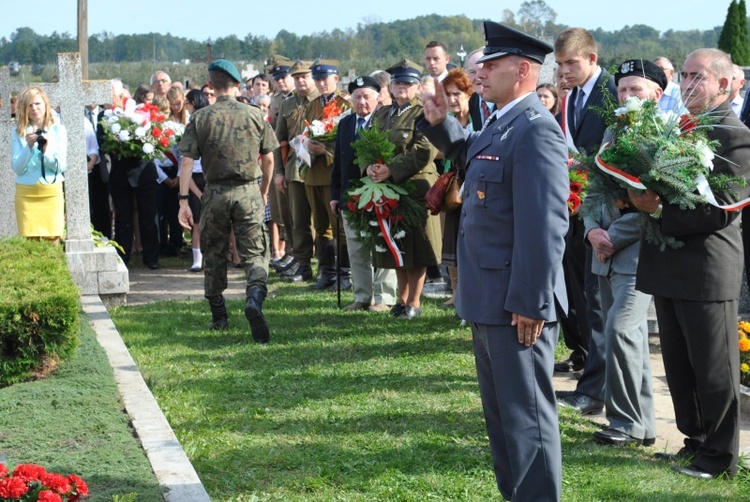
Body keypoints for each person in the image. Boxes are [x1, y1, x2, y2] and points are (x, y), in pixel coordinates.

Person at [420, 22, 568, 500]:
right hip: (489, 299)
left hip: (515, 305)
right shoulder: (503, 120)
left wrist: (530, 302)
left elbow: (544, 227)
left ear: (522, 70)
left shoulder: (536, 131)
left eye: (491, 64)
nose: (479, 72)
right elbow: (472, 155)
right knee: (504, 422)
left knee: (527, 423)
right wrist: (443, 120)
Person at [629, 48, 750, 480]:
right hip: (671, 264)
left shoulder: (733, 134)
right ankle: (695, 442)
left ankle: (720, 459)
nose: (687, 83)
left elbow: (722, 207)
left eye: (698, 76)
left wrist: (658, 211)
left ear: (724, 84)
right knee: (680, 364)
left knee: (714, 368)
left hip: (706, 267)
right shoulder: (680, 128)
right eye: (683, 75)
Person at [585, 59, 665, 449]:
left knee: (621, 328)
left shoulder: (664, 136)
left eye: (636, 89)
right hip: (604, 253)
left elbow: (656, 202)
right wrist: (591, 231)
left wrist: (612, 235)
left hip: (636, 256)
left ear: (657, 94)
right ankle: (641, 425)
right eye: (622, 90)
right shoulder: (613, 131)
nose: (628, 96)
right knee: (624, 336)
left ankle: (626, 422)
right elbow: (592, 188)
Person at [178, 59, 279, 343]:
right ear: (237, 84)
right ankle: (254, 298)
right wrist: (263, 189)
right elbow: (269, 157)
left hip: (215, 193)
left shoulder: (199, 118)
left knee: (214, 252)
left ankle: (219, 315)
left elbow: (187, 163)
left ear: (211, 85)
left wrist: (184, 200)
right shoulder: (256, 114)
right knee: (255, 252)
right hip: (248, 190)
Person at [554, 28, 615, 417]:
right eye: (559, 65)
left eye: (572, 64)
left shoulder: (611, 92)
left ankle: (596, 390)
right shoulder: (571, 96)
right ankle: (589, 379)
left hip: (604, 212)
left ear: (592, 58)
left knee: (597, 304)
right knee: (582, 299)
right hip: (577, 210)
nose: (564, 72)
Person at [368, 59, 440, 319]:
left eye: (408, 83)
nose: (402, 87)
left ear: (418, 86)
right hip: (388, 189)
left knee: (416, 247)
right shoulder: (382, 113)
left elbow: (424, 150)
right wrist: (370, 167)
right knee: (395, 245)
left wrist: (391, 168)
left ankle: (415, 301)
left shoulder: (423, 112)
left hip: (416, 186)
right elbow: (367, 144)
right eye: (398, 82)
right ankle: (401, 299)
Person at [330, 76, 398, 311]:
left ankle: (384, 297)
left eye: (367, 96)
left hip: (379, 193)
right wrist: (335, 195)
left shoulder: (385, 121)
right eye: (356, 97)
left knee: (381, 244)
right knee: (356, 247)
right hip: (351, 195)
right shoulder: (346, 124)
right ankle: (362, 295)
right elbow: (338, 163)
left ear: (378, 97)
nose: (362, 102)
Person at [304, 59, 353, 291]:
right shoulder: (311, 105)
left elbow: (349, 139)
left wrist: (325, 149)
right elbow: (301, 131)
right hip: (313, 171)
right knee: (321, 224)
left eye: (326, 79)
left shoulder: (346, 105)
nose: (322, 83)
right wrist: (304, 145)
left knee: (339, 225)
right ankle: (326, 272)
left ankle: (344, 274)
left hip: (334, 170)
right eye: (318, 80)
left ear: (336, 78)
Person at [273, 60, 320, 282]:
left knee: (321, 220)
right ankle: (302, 264)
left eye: (305, 76)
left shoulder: (323, 102)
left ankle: (328, 265)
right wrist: (279, 172)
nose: (300, 80)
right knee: (296, 219)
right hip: (294, 168)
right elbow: (279, 140)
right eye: (297, 77)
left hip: (318, 167)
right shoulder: (288, 103)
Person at [11, 87, 67, 243]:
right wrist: (28, 148)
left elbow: (60, 166)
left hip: (51, 192)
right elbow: (17, 168)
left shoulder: (58, 130)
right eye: (29, 105)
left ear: (45, 105)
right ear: (24, 108)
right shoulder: (18, 132)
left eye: (37, 103)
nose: (34, 108)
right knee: (30, 244)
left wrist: (46, 150)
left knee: (53, 241)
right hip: (26, 194)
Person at [439, 68, 473, 308]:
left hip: (473, 184)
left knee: (470, 240)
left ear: (468, 94)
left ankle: (470, 293)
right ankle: (455, 293)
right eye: (448, 94)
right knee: (451, 237)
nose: (452, 99)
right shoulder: (447, 121)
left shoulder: (479, 119)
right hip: (452, 185)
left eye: (457, 93)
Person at [182, 89, 210, 272]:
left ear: (193, 102)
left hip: (208, 175)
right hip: (194, 177)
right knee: (197, 222)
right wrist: (197, 193)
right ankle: (197, 258)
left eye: (187, 102)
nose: (185, 105)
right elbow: (186, 164)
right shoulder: (191, 123)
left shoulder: (203, 122)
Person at [466, 47, 494, 130]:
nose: (478, 77)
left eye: (482, 69)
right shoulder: (472, 102)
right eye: (472, 72)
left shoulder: (505, 100)